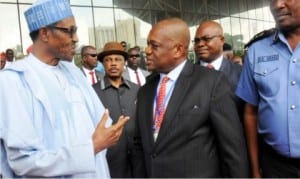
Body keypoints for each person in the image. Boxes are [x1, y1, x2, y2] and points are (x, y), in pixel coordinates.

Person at [0, 0, 129, 178]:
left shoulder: (73, 72)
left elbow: (101, 124)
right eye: (69, 31)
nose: (75, 38)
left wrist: (109, 133)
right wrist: (91, 147)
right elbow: (23, 162)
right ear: (45, 33)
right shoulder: (13, 81)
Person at [134, 18, 249, 177]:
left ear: (178, 50)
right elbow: (140, 144)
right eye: (147, 44)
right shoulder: (145, 90)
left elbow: (232, 150)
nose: (146, 51)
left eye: (154, 45)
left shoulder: (212, 82)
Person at [236, 0, 300, 178]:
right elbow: (250, 113)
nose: (278, 4)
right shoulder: (257, 51)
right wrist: (256, 170)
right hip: (275, 166)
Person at [93, 41, 146, 178]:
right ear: (103, 64)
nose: (113, 63)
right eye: (108, 60)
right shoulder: (93, 92)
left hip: (138, 160)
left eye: (118, 59)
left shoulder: (137, 90)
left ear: (124, 63)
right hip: (111, 161)